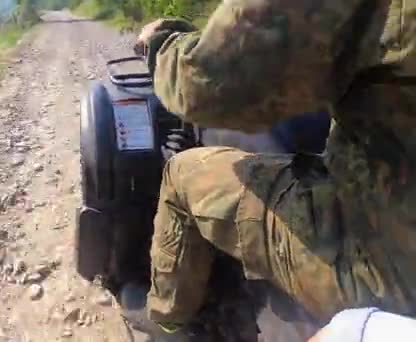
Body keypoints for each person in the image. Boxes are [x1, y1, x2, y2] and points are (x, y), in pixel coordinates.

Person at [134, 1, 416, 340]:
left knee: (182, 173)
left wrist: (161, 41)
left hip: (390, 276)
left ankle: (169, 322)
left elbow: (210, 85)